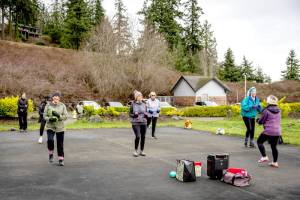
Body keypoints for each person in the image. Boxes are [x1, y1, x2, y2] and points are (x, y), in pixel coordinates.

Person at [43, 92, 68, 166]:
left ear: (59, 99)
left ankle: (61, 159)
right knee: (50, 140)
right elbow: (44, 116)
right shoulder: (48, 105)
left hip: (60, 127)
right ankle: (51, 153)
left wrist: (59, 116)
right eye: (54, 98)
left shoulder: (62, 105)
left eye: (57, 98)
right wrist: (49, 119)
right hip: (50, 126)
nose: (56, 99)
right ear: (52, 98)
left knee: (60, 144)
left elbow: (66, 116)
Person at [256, 95, 281, 168]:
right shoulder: (279, 110)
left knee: (259, 142)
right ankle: (275, 162)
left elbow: (261, 121)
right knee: (274, 147)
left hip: (268, 131)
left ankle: (264, 157)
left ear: (268, 101)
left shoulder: (266, 110)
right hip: (277, 131)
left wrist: (257, 120)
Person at [129, 91, 148, 157]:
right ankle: (135, 151)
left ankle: (142, 151)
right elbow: (130, 114)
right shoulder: (133, 104)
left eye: (141, 96)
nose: (140, 97)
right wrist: (134, 115)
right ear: (136, 97)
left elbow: (146, 112)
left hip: (143, 122)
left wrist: (146, 115)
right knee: (138, 136)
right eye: (139, 96)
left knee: (143, 137)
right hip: (135, 122)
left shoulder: (144, 104)